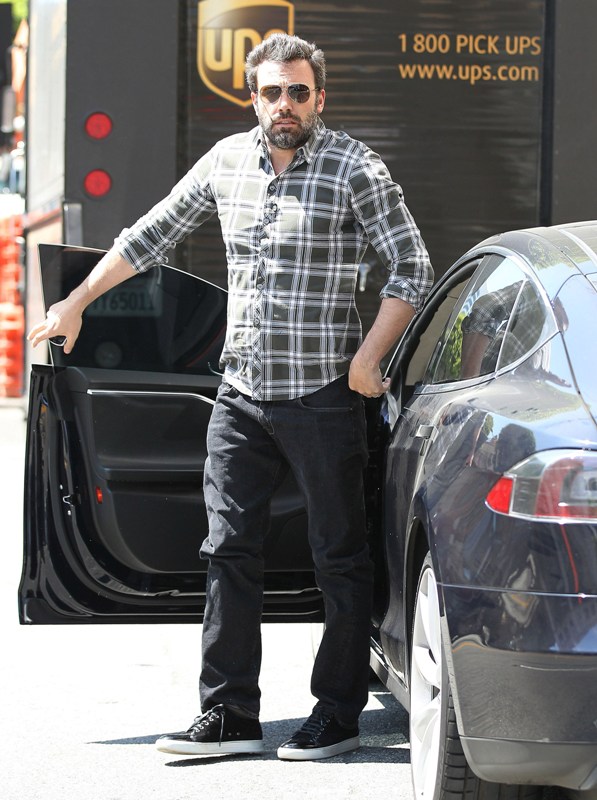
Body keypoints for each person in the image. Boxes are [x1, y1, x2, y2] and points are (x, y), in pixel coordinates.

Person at [28, 33, 433, 761]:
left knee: (338, 557)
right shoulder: (224, 163)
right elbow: (148, 237)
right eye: (273, 92)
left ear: (319, 98)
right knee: (226, 551)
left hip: (322, 396)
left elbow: (411, 267)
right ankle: (228, 713)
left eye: (299, 92)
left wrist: (368, 359)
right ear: (253, 98)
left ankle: (336, 713)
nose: (286, 105)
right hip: (239, 396)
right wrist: (76, 303)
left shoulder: (355, 168)